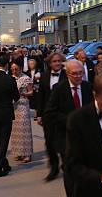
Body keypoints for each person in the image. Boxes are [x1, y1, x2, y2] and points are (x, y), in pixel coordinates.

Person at [44, 59, 94, 196]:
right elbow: (49, 112)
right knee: (70, 170)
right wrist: (71, 121)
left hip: (86, 138)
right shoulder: (59, 89)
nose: (78, 76)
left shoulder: (88, 87)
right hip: (65, 138)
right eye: (75, 74)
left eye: (80, 73)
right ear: (67, 74)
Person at [36, 52, 66, 181]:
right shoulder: (44, 76)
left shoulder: (67, 75)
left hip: (64, 115)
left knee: (65, 142)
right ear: (50, 63)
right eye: (54, 61)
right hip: (48, 115)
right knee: (50, 143)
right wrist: (39, 115)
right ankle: (54, 168)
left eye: (59, 61)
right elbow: (41, 96)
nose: (57, 63)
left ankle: (67, 166)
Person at [10, 63, 33, 164]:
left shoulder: (26, 78)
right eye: (12, 69)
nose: (14, 71)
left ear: (20, 68)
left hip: (23, 105)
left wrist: (23, 94)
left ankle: (27, 153)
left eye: (16, 69)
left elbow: (31, 92)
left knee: (24, 129)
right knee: (15, 130)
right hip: (13, 107)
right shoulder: (10, 78)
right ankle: (18, 152)